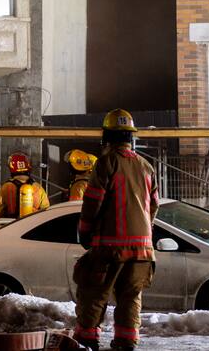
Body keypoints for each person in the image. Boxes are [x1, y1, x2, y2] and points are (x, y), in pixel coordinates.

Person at [72, 109, 159, 351]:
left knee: (93, 294)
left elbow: (93, 202)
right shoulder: (147, 167)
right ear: (131, 137)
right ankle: (126, 341)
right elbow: (154, 206)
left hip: (109, 249)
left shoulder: (106, 163)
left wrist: (85, 232)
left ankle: (86, 340)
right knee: (130, 297)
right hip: (142, 252)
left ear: (107, 137)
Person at [0, 152, 50, 220]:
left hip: (13, 224)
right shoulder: (38, 187)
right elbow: (46, 210)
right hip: (33, 223)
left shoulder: (6, 187)